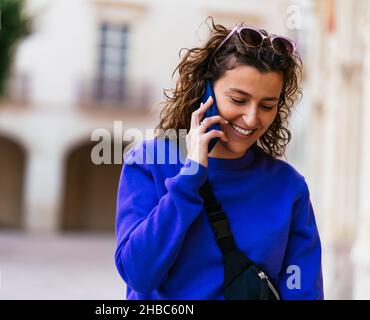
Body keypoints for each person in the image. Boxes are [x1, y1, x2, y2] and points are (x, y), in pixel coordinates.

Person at [114, 19, 324, 300]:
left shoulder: (288, 186)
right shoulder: (149, 162)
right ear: (206, 91)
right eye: (238, 100)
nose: (251, 119)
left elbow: (303, 289)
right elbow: (139, 273)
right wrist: (189, 179)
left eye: (266, 105)